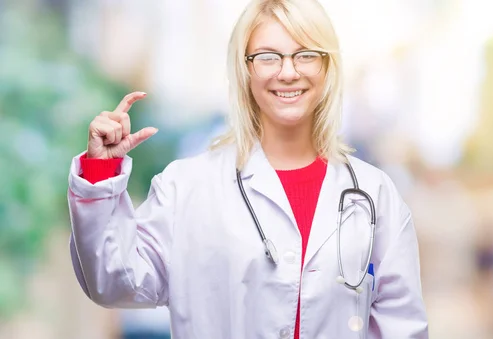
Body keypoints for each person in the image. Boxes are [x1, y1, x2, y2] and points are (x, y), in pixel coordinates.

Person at [67, 0, 429, 338]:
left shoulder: (374, 194)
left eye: (305, 55)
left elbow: (401, 326)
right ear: (245, 69)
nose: (288, 72)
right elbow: (115, 282)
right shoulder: (187, 187)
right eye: (269, 56)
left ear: (326, 67)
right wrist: (101, 171)